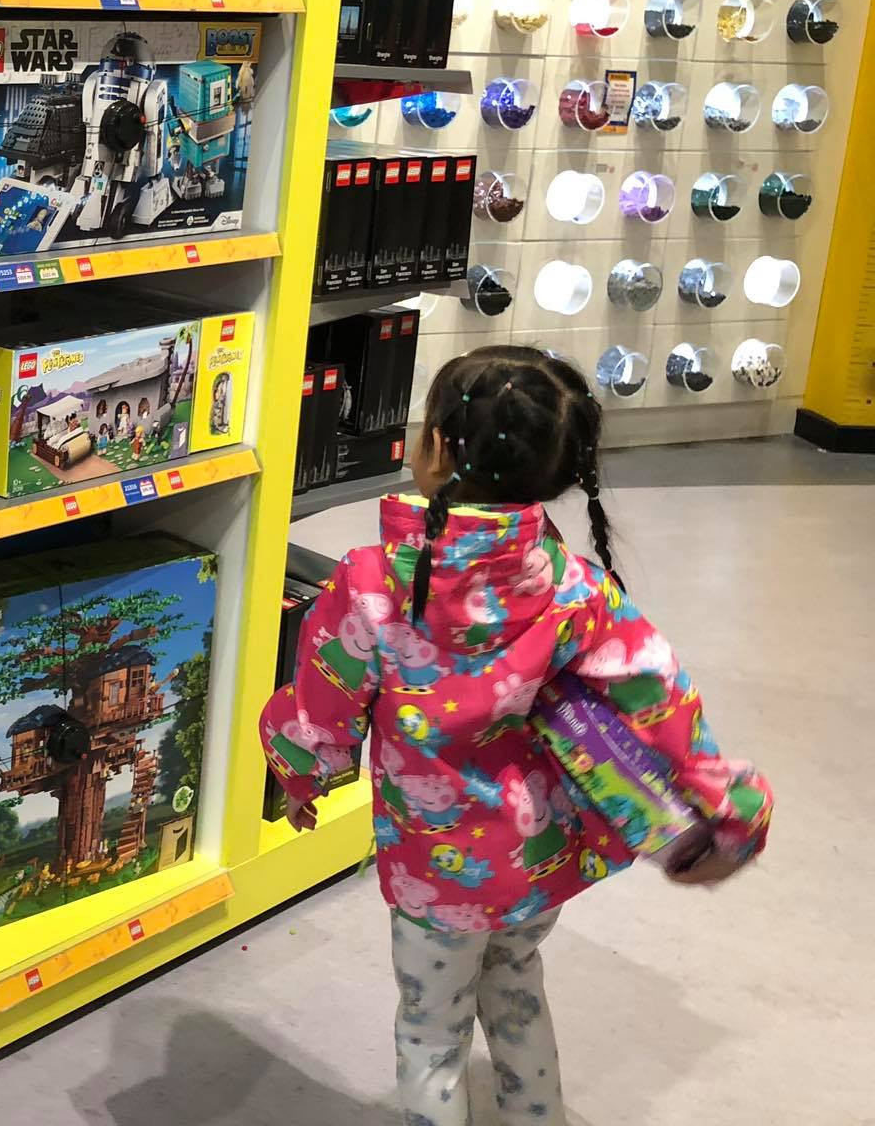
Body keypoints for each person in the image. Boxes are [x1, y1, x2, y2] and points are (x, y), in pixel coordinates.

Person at [261, 345, 772, 1126]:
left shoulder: (373, 580)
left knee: (432, 1033)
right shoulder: (576, 587)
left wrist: (301, 776)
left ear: (436, 449)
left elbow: (322, 707)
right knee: (517, 987)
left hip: (433, 876)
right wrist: (732, 810)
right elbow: (662, 700)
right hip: (536, 864)